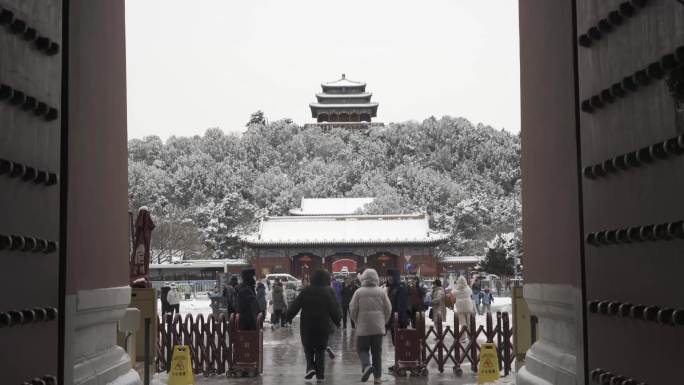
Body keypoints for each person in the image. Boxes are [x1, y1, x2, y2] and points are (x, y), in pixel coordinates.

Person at [286, 270, 341, 381]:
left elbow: (295, 305)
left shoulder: (306, 291)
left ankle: (310, 367)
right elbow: (334, 309)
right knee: (320, 350)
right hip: (322, 326)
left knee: (308, 347)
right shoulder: (326, 293)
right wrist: (337, 320)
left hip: (307, 325)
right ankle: (320, 376)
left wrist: (288, 317)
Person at [349, 268, 391, 384]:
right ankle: (377, 378)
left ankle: (367, 366)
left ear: (363, 279)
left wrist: (356, 321)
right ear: (376, 278)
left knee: (362, 349)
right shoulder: (381, 292)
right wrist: (384, 322)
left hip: (363, 327)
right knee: (377, 352)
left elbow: (352, 309)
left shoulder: (359, 292)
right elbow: (388, 309)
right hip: (378, 328)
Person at [385, 268, 409, 345]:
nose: (389, 278)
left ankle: (401, 357)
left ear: (395, 277)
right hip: (393, 320)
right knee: (396, 343)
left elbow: (402, 306)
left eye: (391, 276)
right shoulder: (391, 288)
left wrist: (400, 319)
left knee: (400, 343)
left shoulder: (401, 288)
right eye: (388, 276)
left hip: (400, 320)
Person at [453, 276, 475, 344]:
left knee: (463, 323)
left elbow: (452, 293)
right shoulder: (467, 289)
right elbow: (471, 292)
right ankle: (470, 336)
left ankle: (463, 337)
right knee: (469, 323)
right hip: (468, 307)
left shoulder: (456, 290)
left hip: (460, 308)